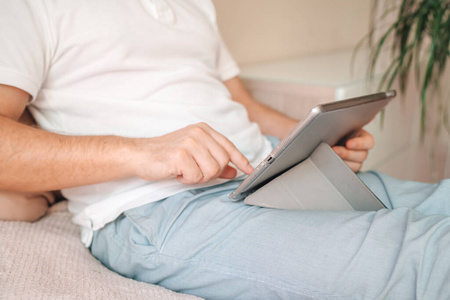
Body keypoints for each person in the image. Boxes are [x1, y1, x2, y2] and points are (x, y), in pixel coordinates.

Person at [0, 1, 449, 299]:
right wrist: (144, 152)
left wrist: (312, 138)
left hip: (266, 167)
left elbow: (243, 105)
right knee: (427, 255)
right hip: (158, 207)